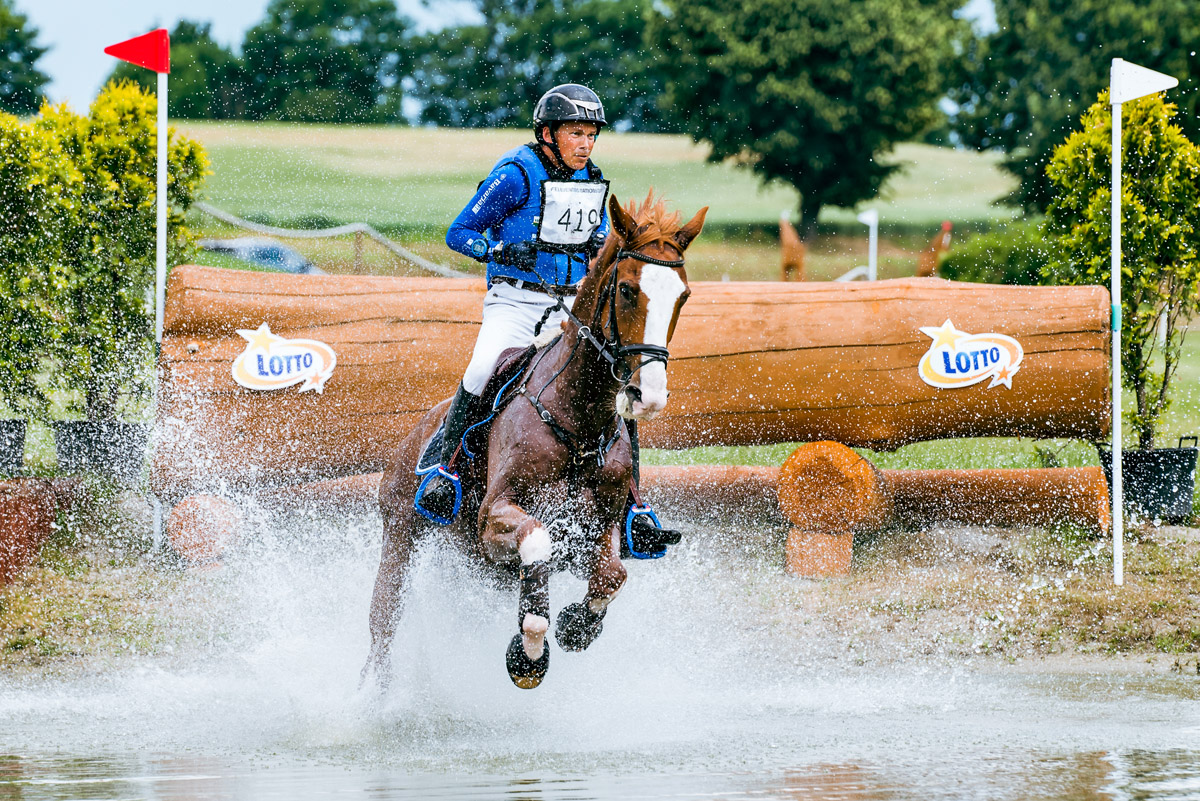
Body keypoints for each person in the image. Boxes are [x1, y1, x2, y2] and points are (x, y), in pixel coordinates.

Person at [416, 83, 680, 558]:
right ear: (547, 134)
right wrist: (498, 249)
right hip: (514, 304)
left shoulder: (591, 180)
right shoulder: (517, 173)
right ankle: (442, 470)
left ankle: (636, 509)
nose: (585, 144)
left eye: (592, 135)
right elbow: (459, 233)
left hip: (568, 307)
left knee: (617, 384)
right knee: (481, 372)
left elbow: (598, 239)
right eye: (576, 133)